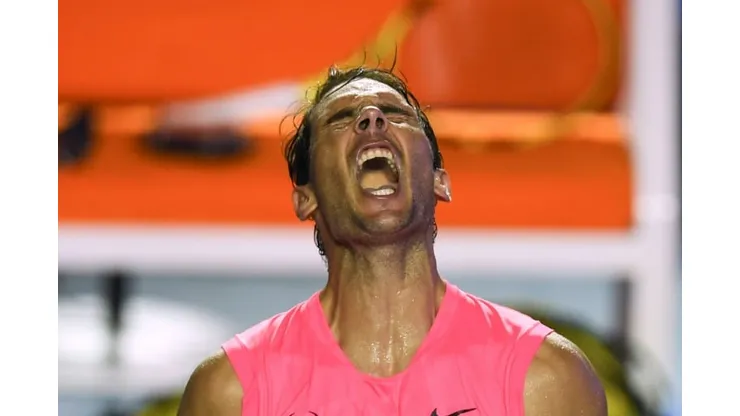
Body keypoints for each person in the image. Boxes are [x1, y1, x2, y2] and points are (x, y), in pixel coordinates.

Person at [177, 66, 607, 416]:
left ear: (440, 182)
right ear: (306, 199)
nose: (371, 118)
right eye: (342, 119)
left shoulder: (546, 380)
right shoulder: (230, 393)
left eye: (396, 114)